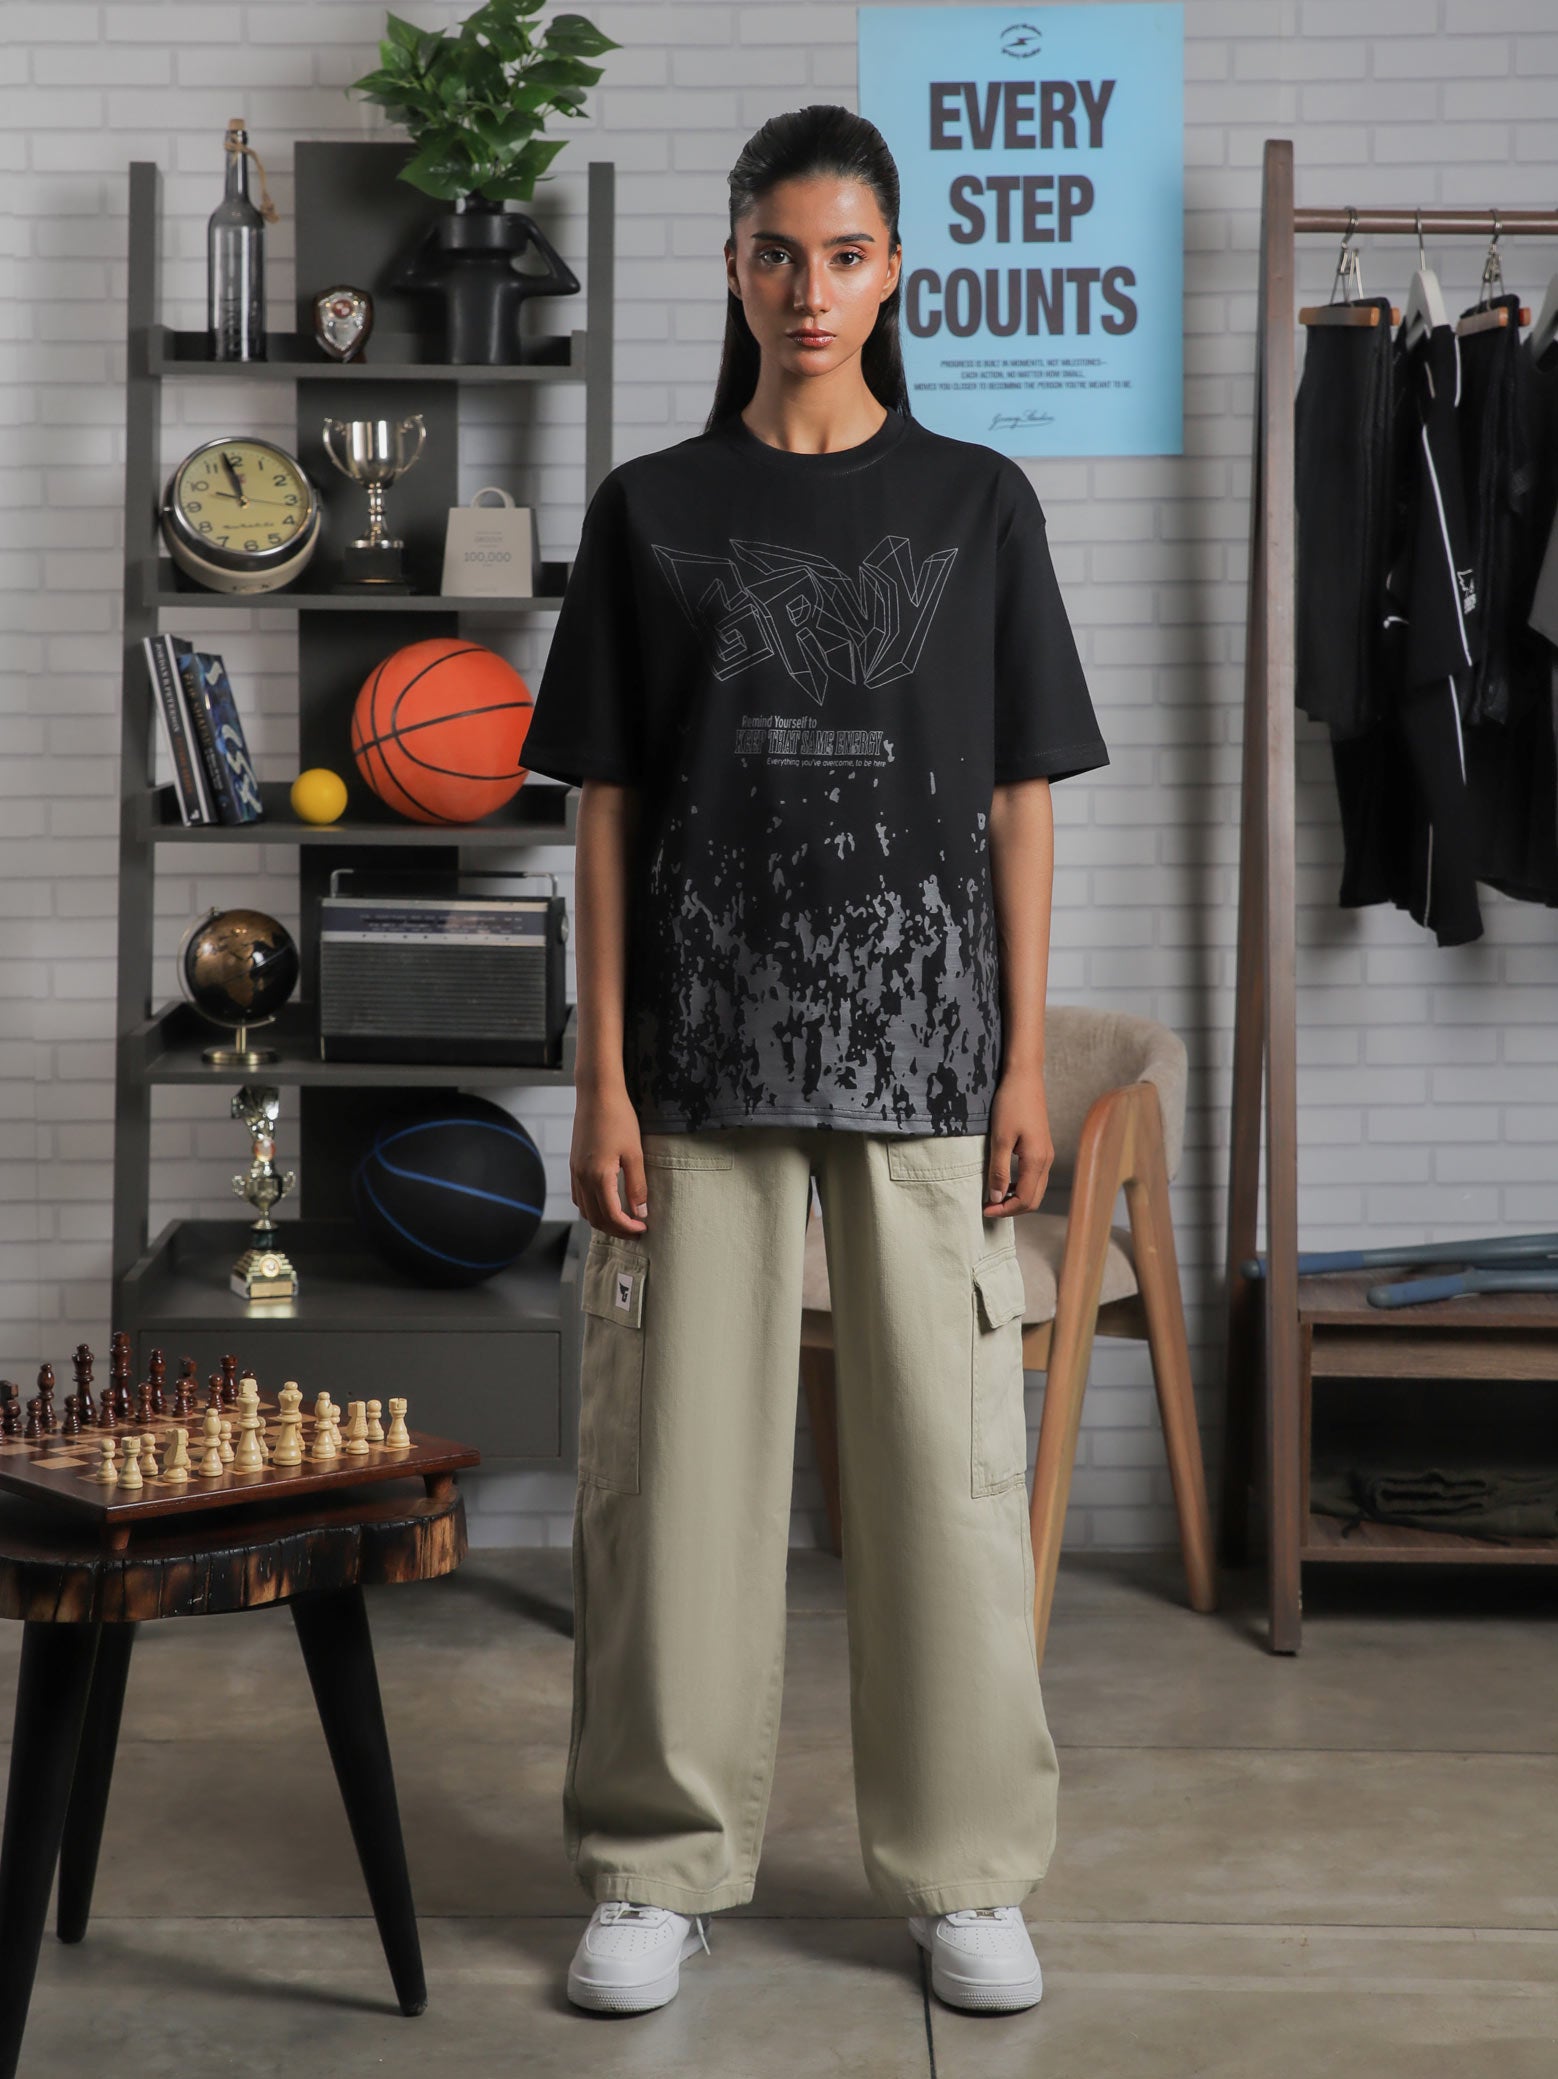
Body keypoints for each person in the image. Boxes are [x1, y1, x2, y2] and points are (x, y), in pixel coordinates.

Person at [519, 103, 1110, 2021]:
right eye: (778, 253)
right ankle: (654, 1864)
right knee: (674, 1482)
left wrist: (1020, 1060)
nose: (811, 289)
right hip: (695, 1059)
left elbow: (1019, 802)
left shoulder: (975, 502)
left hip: (926, 1055)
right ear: (732, 267)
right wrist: (602, 1076)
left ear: (896, 272)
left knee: (947, 1483)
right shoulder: (651, 509)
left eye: (846, 255)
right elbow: (606, 809)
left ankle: (966, 1870)